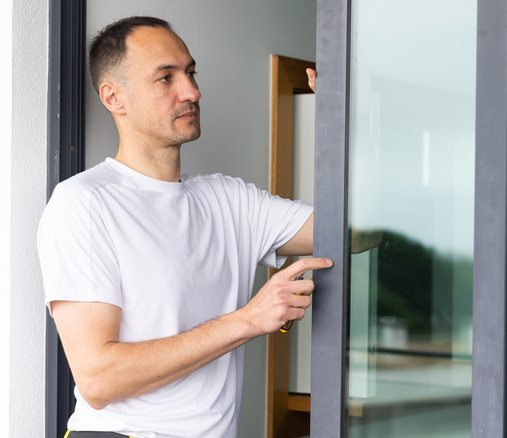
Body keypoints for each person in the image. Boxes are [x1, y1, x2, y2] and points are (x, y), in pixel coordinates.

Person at [37, 16, 328, 438]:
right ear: (113, 96)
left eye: (190, 73)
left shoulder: (229, 201)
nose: (192, 91)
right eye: (165, 78)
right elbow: (99, 380)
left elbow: (355, 233)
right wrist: (249, 319)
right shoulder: (84, 203)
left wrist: (347, 128)